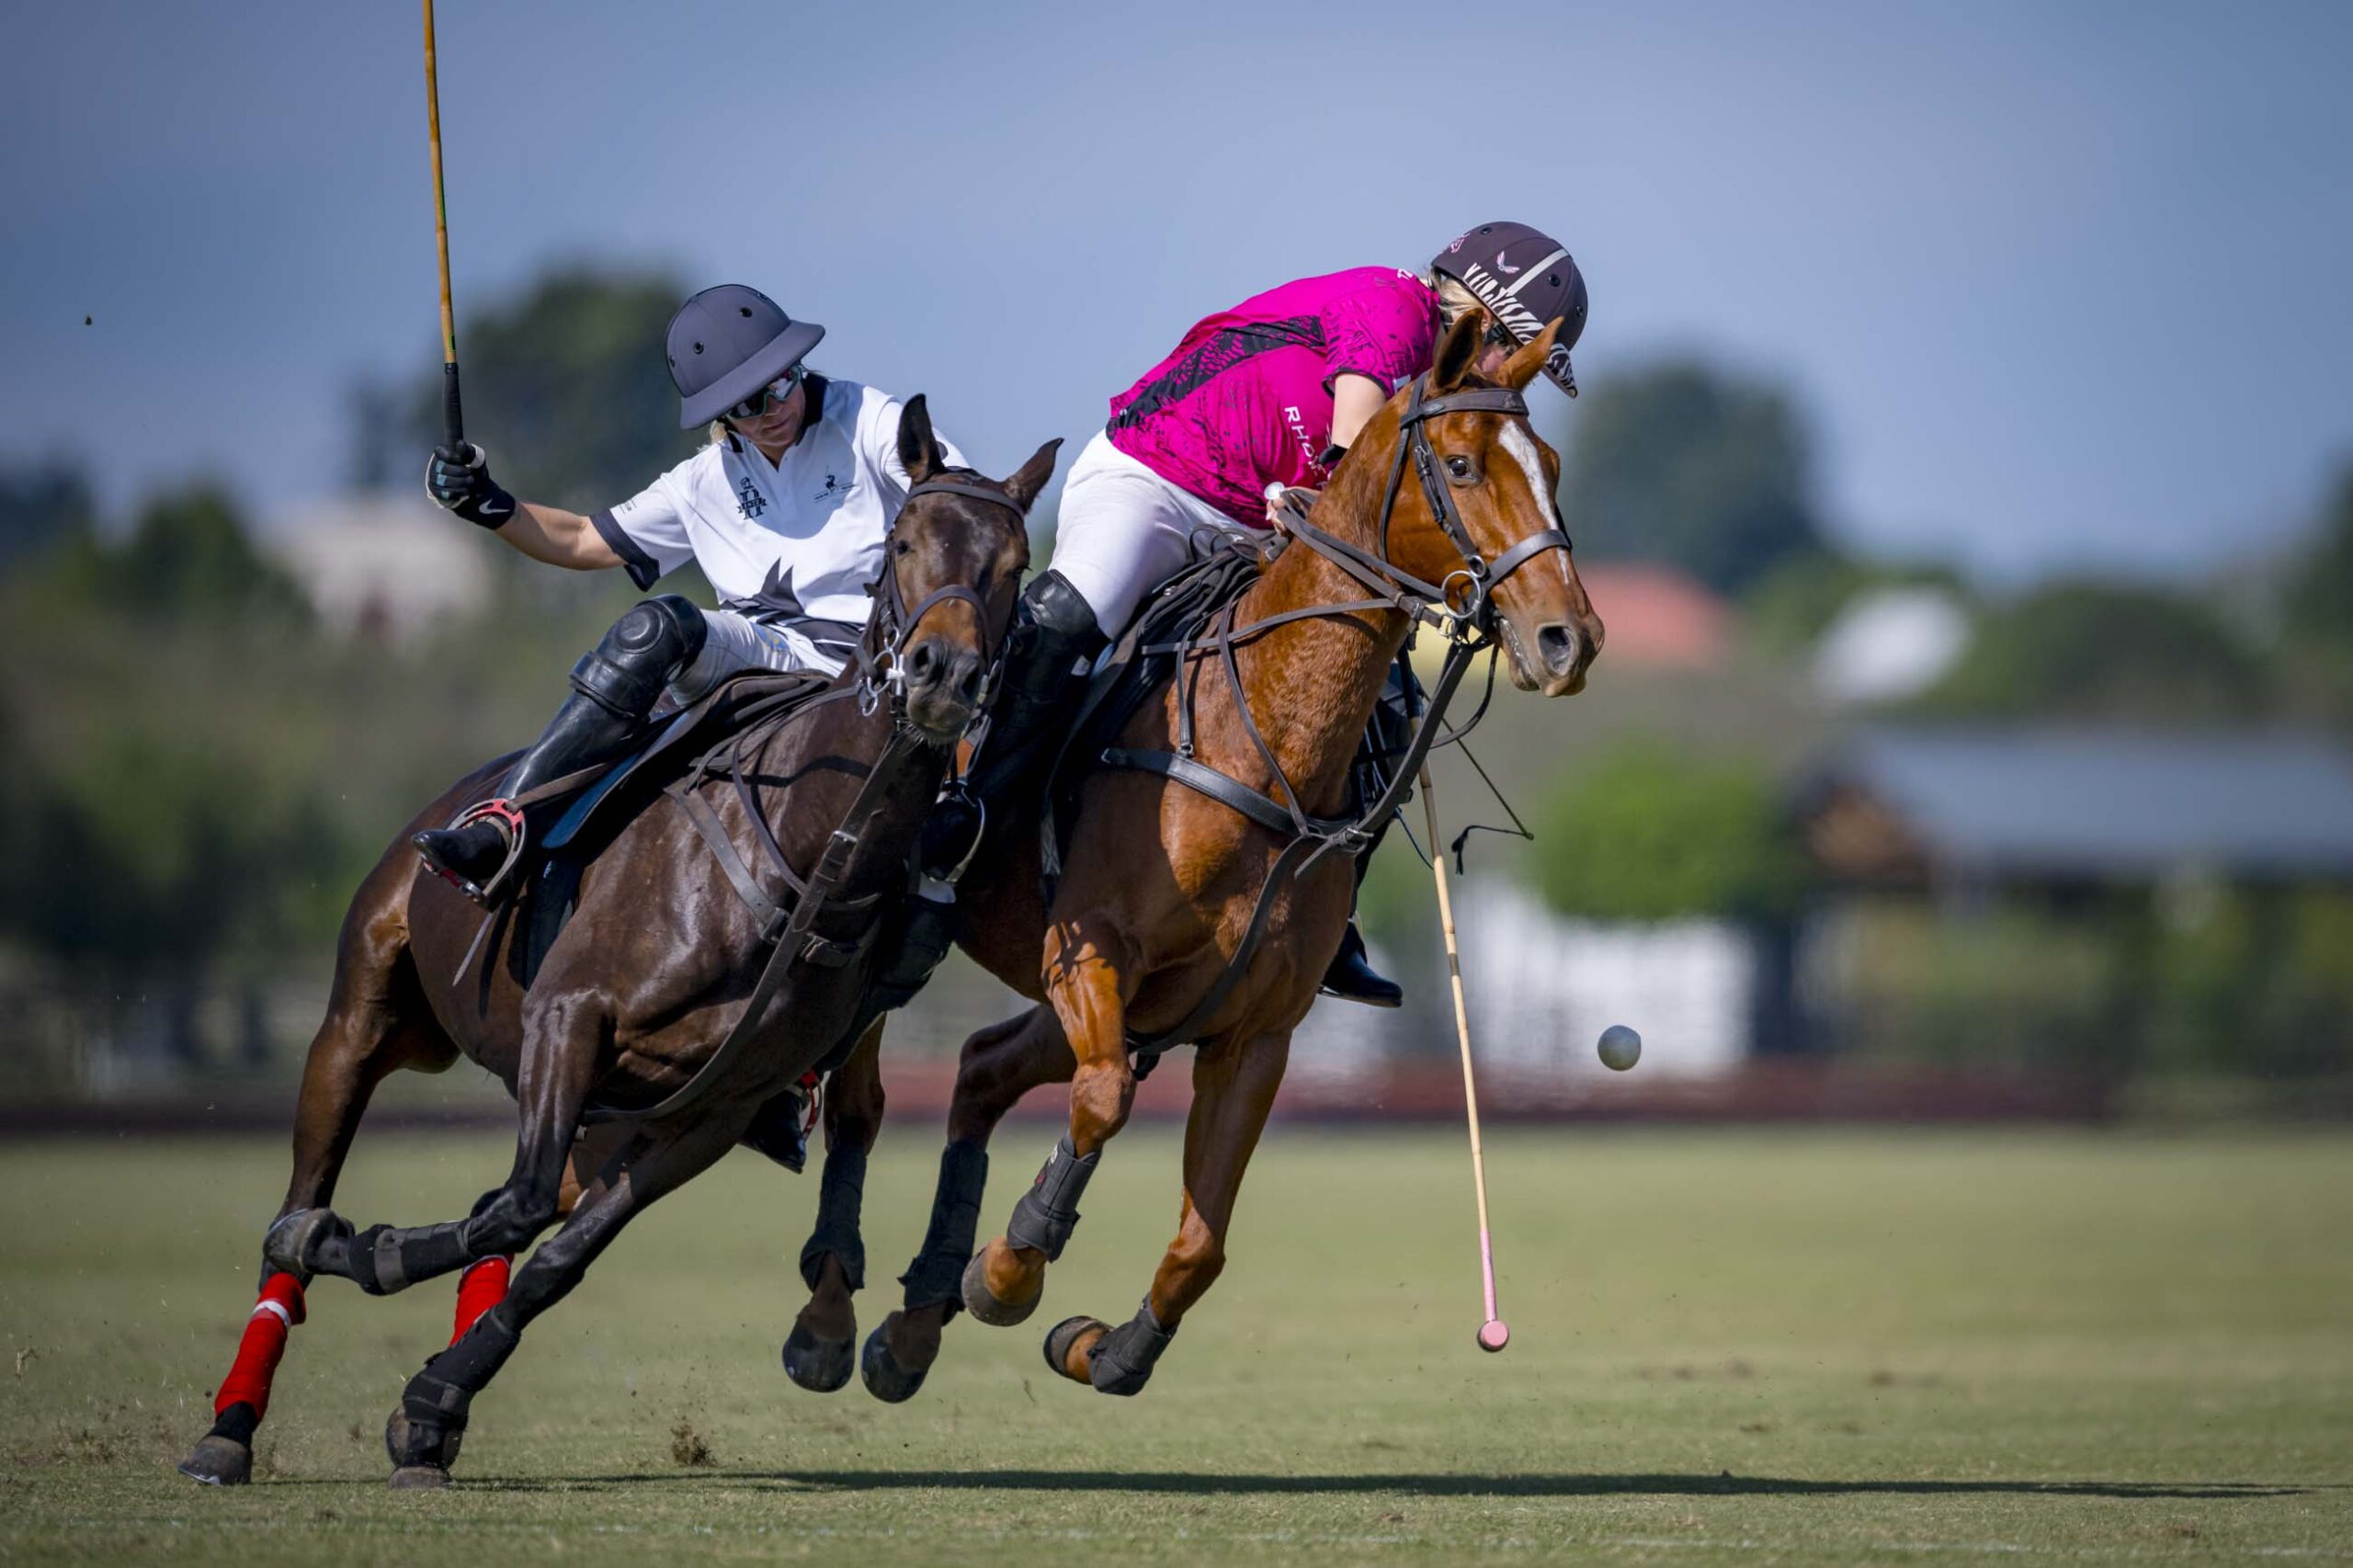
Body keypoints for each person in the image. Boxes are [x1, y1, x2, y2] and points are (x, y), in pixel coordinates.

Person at [967, 222, 1587, 1006]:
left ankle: (1335, 917)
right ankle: (967, 814)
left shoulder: (1444, 398)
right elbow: (1353, 453)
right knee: (1067, 616)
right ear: (1481, 323)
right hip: (1157, 478)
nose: (1512, 384)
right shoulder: (1393, 309)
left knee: (1384, 707)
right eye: (1517, 358)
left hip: (1259, 528)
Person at [414, 283, 969, 903]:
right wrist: (487, 503)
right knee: (658, 627)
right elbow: (580, 540)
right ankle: (503, 827)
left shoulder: (870, 420)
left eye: (783, 381)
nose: (774, 407)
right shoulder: (701, 483)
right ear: (721, 415)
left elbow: (960, 502)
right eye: (749, 402)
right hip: (763, 661)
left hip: (879, 666)